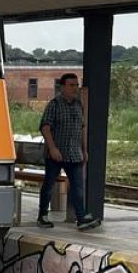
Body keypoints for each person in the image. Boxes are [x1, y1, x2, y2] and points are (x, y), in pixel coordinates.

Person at [37, 73, 100, 230]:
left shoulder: (79, 105)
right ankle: (42, 216)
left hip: (75, 154)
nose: (75, 88)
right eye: (71, 85)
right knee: (49, 185)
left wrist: (84, 150)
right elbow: (45, 127)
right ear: (62, 86)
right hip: (57, 154)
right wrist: (52, 148)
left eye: (76, 85)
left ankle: (81, 218)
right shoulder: (54, 105)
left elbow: (81, 129)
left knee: (78, 187)